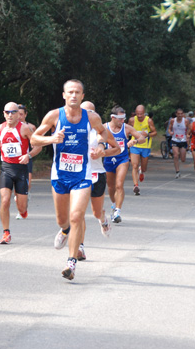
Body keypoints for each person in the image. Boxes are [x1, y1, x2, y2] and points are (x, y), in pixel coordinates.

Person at [31, 79, 118, 281]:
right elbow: (34, 139)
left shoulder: (91, 117)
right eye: (70, 92)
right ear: (64, 95)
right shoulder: (54, 116)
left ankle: (71, 262)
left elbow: (104, 133)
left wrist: (101, 147)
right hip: (60, 175)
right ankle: (65, 230)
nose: (73, 95)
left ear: (82, 96)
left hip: (82, 175)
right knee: (63, 220)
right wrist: (51, 139)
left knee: (77, 215)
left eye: (77, 92)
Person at [0, 102, 41, 243]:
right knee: (5, 200)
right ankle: (6, 232)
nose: (10, 115)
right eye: (7, 112)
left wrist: (28, 155)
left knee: (21, 208)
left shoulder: (25, 129)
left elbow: (38, 146)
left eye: (13, 112)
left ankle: (23, 210)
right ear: (4, 113)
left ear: (18, 114)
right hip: (6, 168)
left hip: (21, 169)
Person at [77, 101, 120, 261]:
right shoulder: (74, 128)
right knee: (78, 212)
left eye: (90, 111)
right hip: (79, 174)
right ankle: (80, 247)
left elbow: (117, 149)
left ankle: (102, 219)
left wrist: (102, 153)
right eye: (84, 111)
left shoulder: (101, 131)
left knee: (95, 212)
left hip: (97, 174)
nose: (87, 114)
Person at [103, 105, 146, 223]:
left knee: (119, 185)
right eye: (120, 119)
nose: (123, 121)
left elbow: (143, 138)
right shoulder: (104, 127)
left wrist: (135, 140)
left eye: (124, 118)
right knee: (111, 187)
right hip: (108, 159)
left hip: (122, 159)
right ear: (113, 117)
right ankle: (113, 204)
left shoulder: (126, 128)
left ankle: (117, 211)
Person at [127, 105, 157, 196]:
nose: (139, 116)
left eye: (141, 114)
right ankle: (136, 186)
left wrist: (147, 134)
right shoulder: (132, 120)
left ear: (144, 113)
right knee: (134, 165)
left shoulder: (149, 121)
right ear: (135, 113)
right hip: (135, 145)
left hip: (145, 146)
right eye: (138, 114)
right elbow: (126, 130)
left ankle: (141, 170)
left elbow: (155, 132)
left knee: (144, 168)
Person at [16, 104, 37, 218]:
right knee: (17, 186)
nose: (18, 116)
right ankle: (20, 208)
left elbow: (35, 142)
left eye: (21, 114)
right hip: (14, 160)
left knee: (27, 181)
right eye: (17, 114)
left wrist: (32, 151)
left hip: (26, 157)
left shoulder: (31, 127)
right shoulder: (11, 127)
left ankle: (25, 197)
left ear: (25, 115)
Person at [168, 108, 189, 179]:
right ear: (176, 114)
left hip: (183, 140)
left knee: (183, 159)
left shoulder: (185, 121)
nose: (180, 115)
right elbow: (169, 128)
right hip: (175, 140)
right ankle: (177, 171)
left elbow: (189, 130)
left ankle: (181, 154)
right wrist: (170, 132)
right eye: (178, 114)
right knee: (176, 155)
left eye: (181, 114)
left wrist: (188, 136)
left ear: (183, 114)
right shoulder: (173, 120)